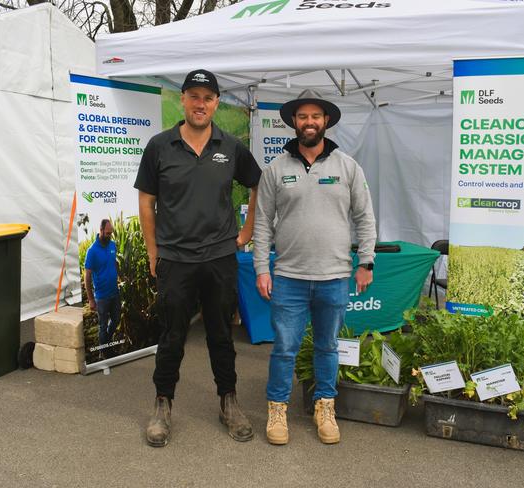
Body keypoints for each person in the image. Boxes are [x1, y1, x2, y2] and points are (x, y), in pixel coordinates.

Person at [135, 69, 261, 447]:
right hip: (176, 259)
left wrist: (248, 231)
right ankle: (162, 404)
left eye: (208, 97)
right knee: (172, 335)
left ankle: (229, 401)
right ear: (184, 100)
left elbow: (258, 184)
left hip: (220, 257)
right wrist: (153, 250)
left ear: (216, 103)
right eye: (194, 96)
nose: (200, 104)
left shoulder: (231, 147)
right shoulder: (160, 146)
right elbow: (146, 201)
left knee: (221, 335)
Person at [253, 90, 376, 445]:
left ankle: (325, 406)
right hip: (289, 277)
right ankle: (277, 409)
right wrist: (262, 268)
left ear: (326, 121)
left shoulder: (348, 166)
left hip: (334, 277)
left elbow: (364, 217)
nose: (309, 122)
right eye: (302, 116)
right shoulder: (276, 169)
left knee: (327, 346)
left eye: (315, 116)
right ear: (294, 122)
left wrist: (366, 261)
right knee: (284, 349)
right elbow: (262, 224)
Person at [84, 218, 120, 350]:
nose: (110, 236)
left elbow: (114, 261)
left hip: (115, 292)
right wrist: (91, 300)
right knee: (103, 326)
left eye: (111, 233)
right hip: (102, 297)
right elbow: (87, 277)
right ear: (101, 230)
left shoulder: (112, 245)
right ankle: (104, 351)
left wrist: (120, 274)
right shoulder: (92, 251)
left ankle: (106, 342)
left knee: (116, 320)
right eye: (107, 233)